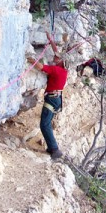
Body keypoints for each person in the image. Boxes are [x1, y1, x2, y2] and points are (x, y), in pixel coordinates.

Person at [26, 31, 68, 159]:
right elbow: (57, 52)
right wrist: (50, 40)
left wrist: (30, 59)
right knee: (47, 123)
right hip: (57, 98)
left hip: (52, 98)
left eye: (56, 57)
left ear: (60, 61)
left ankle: (54, 150)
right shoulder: (64, 70)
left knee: (44, 124)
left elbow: (40, 67)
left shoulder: (55, 70)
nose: (53, 57)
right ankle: (52, 148)